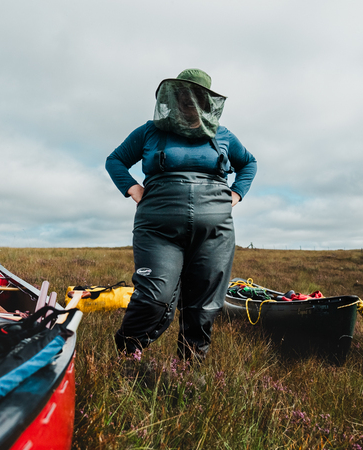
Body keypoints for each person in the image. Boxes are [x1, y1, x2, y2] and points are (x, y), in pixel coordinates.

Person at [105, 68, 257, 361]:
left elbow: (248, 163)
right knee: (154, 298)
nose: (190, 106)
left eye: (197, 100)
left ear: (208, 103)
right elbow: (115, 160)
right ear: (173, 100)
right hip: (158, 229)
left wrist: (236, 194)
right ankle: (127, 353)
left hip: (214, 233)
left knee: (204, 306)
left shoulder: (223, 136)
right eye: (185, 100)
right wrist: (133, 189)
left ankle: (188, 371)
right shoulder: (150, 131)